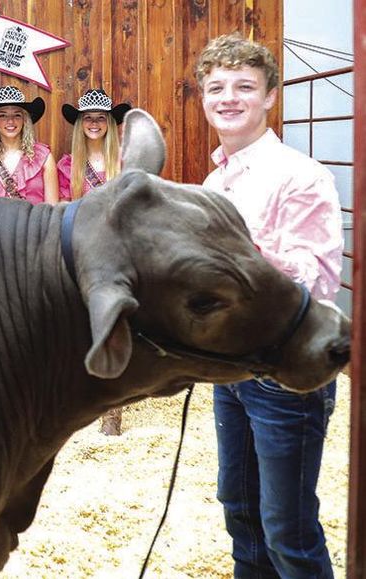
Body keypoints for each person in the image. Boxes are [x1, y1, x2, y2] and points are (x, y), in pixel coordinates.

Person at [197, 33, 343, 579]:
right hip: (231, 369)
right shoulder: (215, 180)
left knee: (289, 528)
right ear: (204, 97)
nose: (228, 98)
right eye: (216, 87)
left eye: (244, 86)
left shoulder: (298, 175)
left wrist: (236, 259)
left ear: (269, 96)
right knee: (240, 513)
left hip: (286, 374)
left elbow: (318, 279)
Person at [0, 85, 58, 204]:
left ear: (24, 120)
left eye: (17, 115)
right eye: (3, 115)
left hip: (35, 222)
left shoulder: (44, 157)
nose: (10, 121)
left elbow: (51, 209)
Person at [57, 89, 131, 201]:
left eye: (101, 117)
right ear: (80, 123)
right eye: (88, 117)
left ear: (109, 123)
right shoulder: (68, 165)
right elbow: (63, 210)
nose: (94, 122)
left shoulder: (124, 159)